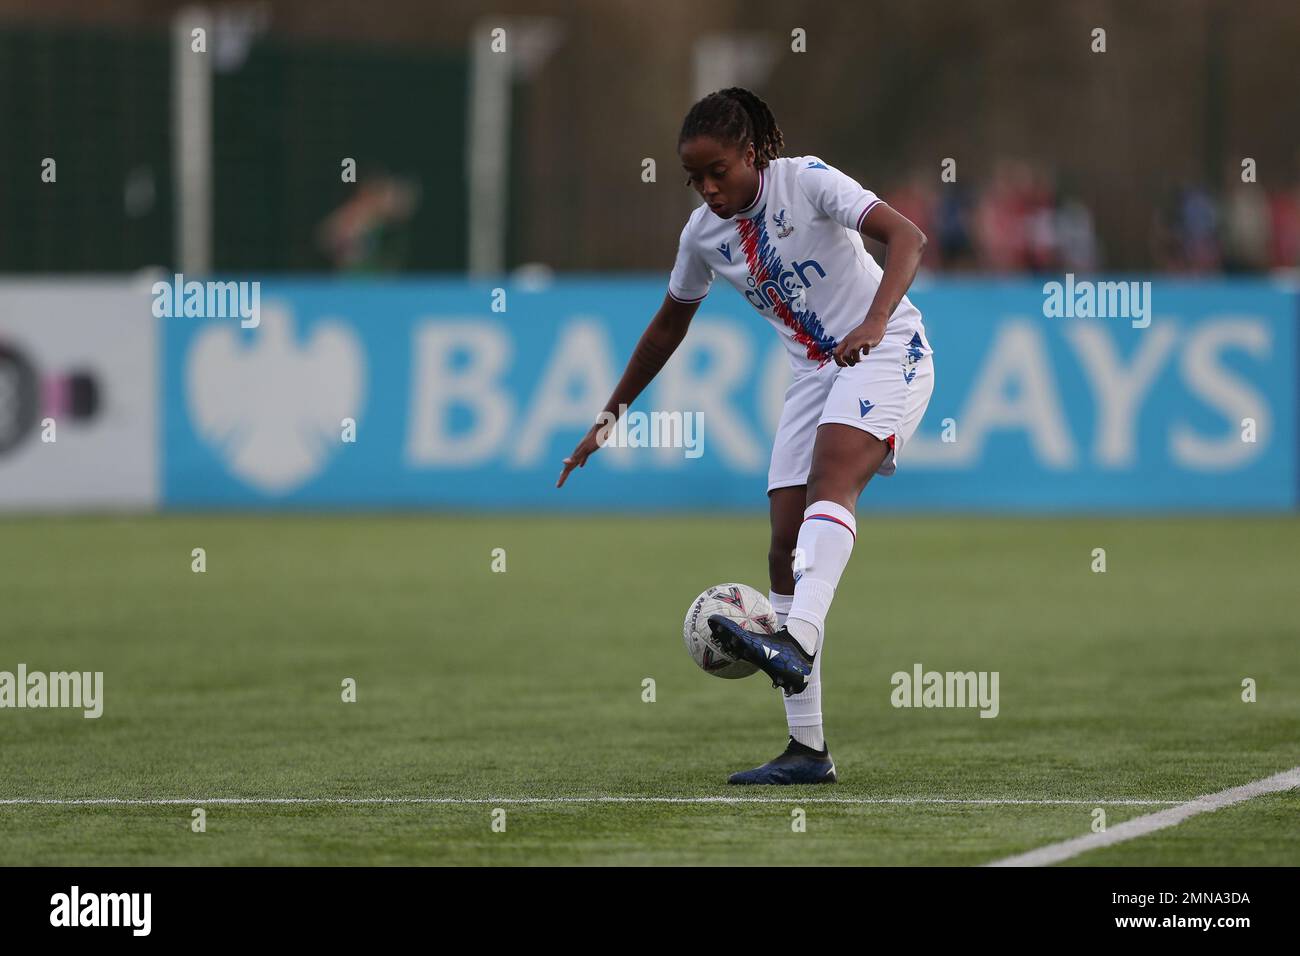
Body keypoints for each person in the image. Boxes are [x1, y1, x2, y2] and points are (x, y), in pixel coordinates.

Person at [557, 88, 935, 784]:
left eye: (717, 172)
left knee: (832, 481)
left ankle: (796, 638)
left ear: (752, 154)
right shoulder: (703, 235)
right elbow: (669, 324)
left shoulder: (808, 181)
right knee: (783, 545)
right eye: (693, 178)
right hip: (815, 374)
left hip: (888, 349)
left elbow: (907, 236)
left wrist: (878, 320)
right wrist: (609, 416)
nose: (707, 189)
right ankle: (808, 751)